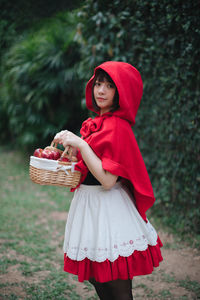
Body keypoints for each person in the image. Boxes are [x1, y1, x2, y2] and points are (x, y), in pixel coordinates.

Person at [53, 61, 163, 300]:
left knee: (118, 288)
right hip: (89, 205)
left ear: (121, 92)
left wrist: (81, 143)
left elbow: (107, 180)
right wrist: (73, 151)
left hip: (109, 209)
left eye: (110, 86)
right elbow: (91, 166)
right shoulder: (96, 125)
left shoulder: (118, 127)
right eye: (98, 84)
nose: (101, 91)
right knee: (97, 276)